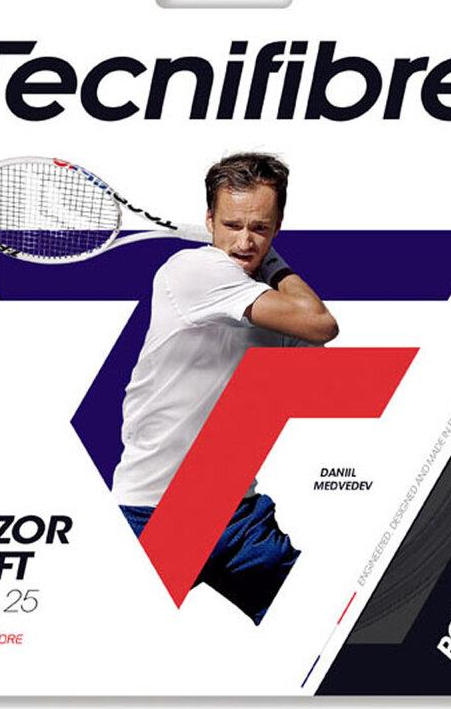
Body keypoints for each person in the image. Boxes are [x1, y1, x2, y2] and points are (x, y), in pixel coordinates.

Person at [111, 152, 338, 624]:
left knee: (325, 626)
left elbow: (316, 350)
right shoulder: (192, 270)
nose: (244, 241)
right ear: (209, 221)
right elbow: (321, 323)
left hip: (233, 510)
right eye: (232, 225)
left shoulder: (273, 309)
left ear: (277, 226)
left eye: (259, 228)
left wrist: (270, 269)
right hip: (153, 510)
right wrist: (273, 262)